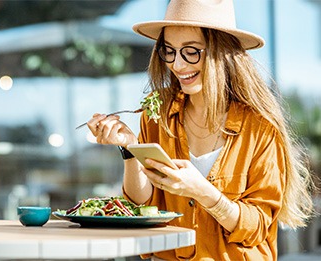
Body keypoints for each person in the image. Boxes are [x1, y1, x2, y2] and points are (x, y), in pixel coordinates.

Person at [87, 0, 316, 260]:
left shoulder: (259, 129)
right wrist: (129, 149)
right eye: (169, 51)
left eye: (191, 52)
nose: (178, 65)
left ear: (221, 52)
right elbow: (144, 207)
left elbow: (258, 226)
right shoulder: (157, 114)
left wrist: (203, 192)